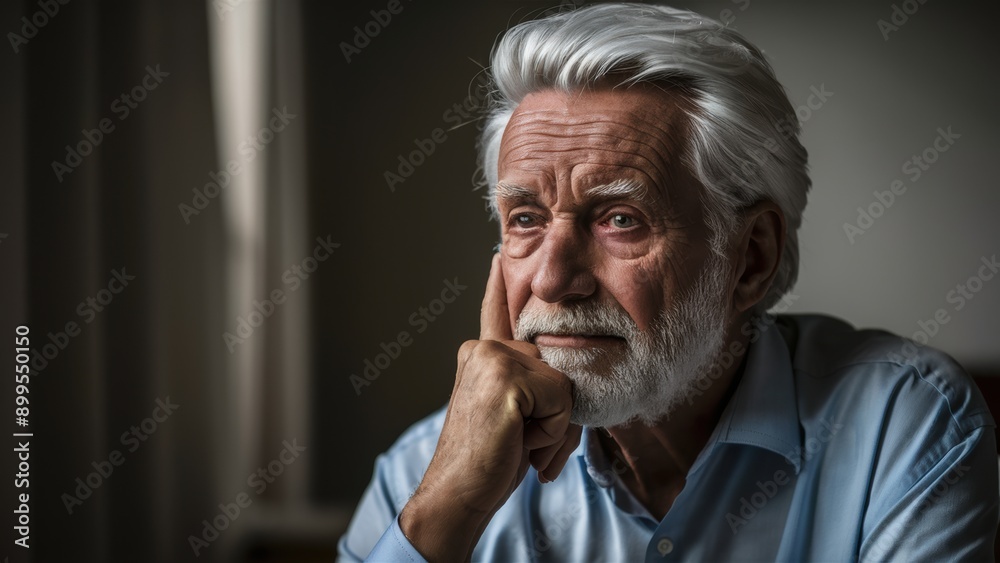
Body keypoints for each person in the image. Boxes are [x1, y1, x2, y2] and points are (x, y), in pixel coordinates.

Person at [338, 3, 998, 561]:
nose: (553, 277)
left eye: (620, 217)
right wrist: (443, 517)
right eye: (526, 219)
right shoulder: (424, 470)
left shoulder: (900, 424)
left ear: (750, 258)